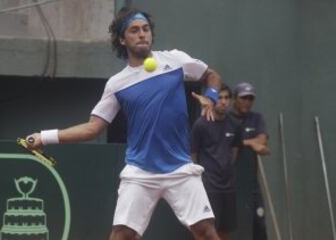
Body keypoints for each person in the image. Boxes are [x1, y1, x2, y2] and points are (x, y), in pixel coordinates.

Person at [26, 7, 223, 240]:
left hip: (180, 167)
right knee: (122, 236)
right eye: (134, 30)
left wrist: (210, 97)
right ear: (122, 39)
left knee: (206, 232)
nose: (142, 34)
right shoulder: (117, 84)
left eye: (146, 29)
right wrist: (44, 136)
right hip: (140, 171)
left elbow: (212, 75)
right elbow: (93, 128)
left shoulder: (175, 60)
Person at [191, 84, 243, 240]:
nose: (223, 102)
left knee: (224, 231)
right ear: (212, 100)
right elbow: (193, 153)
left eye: (227, 98)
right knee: (204, 231)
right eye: (220, 98)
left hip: (228, 187)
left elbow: (234, 151)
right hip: (208, 187)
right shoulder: (200, 124)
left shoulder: (234, 125)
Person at [231, 82, 270, 240]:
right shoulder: (228, 119)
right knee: (234, 226)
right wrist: (248, 143)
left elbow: (262, 141)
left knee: (259, 221)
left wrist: (247, 143)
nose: (247, 101)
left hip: (252, 183)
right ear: (235, 99)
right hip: (229, 182)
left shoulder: (256, 118)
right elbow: (227, 143)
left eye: (250, 98)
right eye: (243, 98)